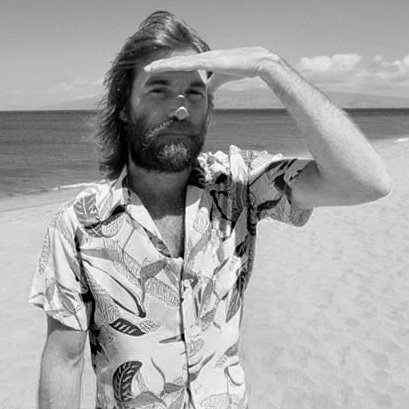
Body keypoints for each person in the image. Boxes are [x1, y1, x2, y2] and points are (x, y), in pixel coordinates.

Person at [29, 10, 390, 409]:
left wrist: (271, 67)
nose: (180, 108)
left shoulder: (240, 185)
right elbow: (64, 359)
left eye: (195, 93)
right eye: (159, 90)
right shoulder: (80, 224)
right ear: (124, 108)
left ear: (210, 108)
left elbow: (366, 182)